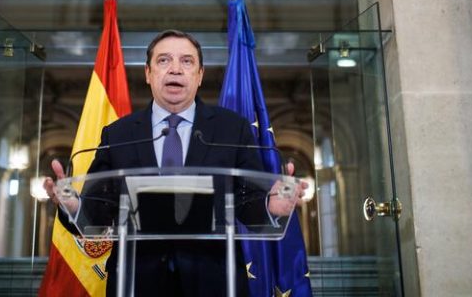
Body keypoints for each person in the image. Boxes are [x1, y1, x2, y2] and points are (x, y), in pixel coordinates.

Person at [44, 30, 306, 296]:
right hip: (137, 282)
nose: (176, 69)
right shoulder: (118, 134)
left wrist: (270, 207)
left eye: (187, 61)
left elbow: (249, 204)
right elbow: (97, 214)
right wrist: (73, 207)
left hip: (214, 281)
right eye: (164, 60)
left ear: (200, 75)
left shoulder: (232, 129)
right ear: (148, 73)